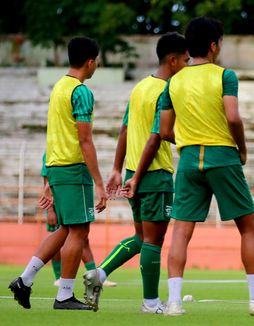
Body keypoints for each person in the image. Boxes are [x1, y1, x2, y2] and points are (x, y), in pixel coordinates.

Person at [146, 16, 254, 316]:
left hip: (187, 160)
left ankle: (172, 302)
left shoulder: (174, 81)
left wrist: (188, 139)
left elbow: (164, 130)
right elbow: (233, 117)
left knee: (181, 231)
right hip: (222, 156)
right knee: (248, 228)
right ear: (214, 45)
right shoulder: (225, 75)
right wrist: (242, 149)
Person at [83, 32, 189, 314]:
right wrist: (139, 176)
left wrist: (119, 169)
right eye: (186, 60)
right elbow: (157, 137)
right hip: (153, 174)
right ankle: (151, 303)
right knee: (154, 240)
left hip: (133, 170)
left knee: (142, 238)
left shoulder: (140, 88)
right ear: (173, 60)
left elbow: (125, 129)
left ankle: (99, 274)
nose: (188, 65)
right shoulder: (166, 91)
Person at [9, 36, 108, 311]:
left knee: (65, 229)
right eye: (96, 61)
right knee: (79, 230)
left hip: (56, 167)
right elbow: (85, 140)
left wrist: (49, 180)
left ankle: (25, 280)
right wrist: (99, 184)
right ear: (91, 62)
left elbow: (54, 134)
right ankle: (64, 295)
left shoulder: (59, 87)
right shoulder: (81, 91)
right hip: (73, 169)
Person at [40, 153, 116, 288]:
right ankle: (58, 277)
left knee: (81, 236)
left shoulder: (64, 146)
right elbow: (47, 179)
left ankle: (93, 275)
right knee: (62, 237)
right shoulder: (52, 150)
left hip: (70, 193)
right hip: (59, 199)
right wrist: (51, 210)